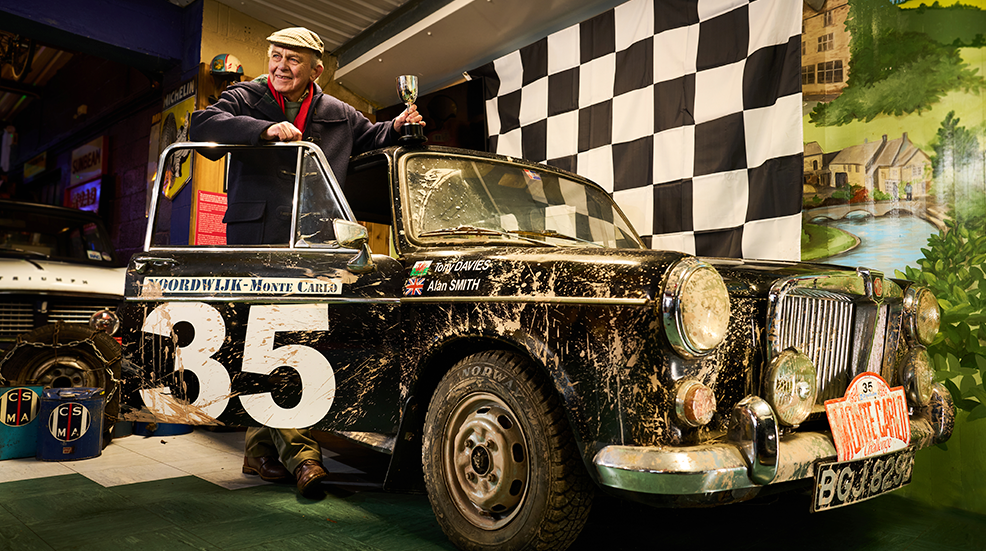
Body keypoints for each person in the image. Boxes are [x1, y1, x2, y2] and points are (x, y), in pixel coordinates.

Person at [188, 26, 423, 497]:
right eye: (276, 55)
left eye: (293, 59)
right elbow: (200, 126)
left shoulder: (338, 112)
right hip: (256, 238)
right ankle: (303, 457)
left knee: (287, 337)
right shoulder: (245, 97)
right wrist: (263, 129)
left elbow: (371, 136)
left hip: (316, 237)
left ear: (316, 69)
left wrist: (397, 127)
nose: (280, 65)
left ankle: (257, 451)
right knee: (271, 336)